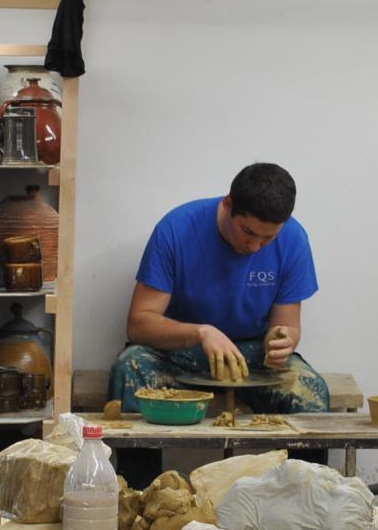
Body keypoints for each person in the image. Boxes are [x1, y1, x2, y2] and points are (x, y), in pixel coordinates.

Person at [108, 162, 328, 414]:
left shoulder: (293, 238)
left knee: (309, 388)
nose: (255, 247)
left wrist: (281, 342)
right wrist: (202, 333)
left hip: (251, 355)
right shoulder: (176, 229)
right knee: (131, 366)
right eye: (247, 231)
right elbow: (139, 325)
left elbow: (287, 325)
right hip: (182, 353)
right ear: (228, 204)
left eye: (269, 238)